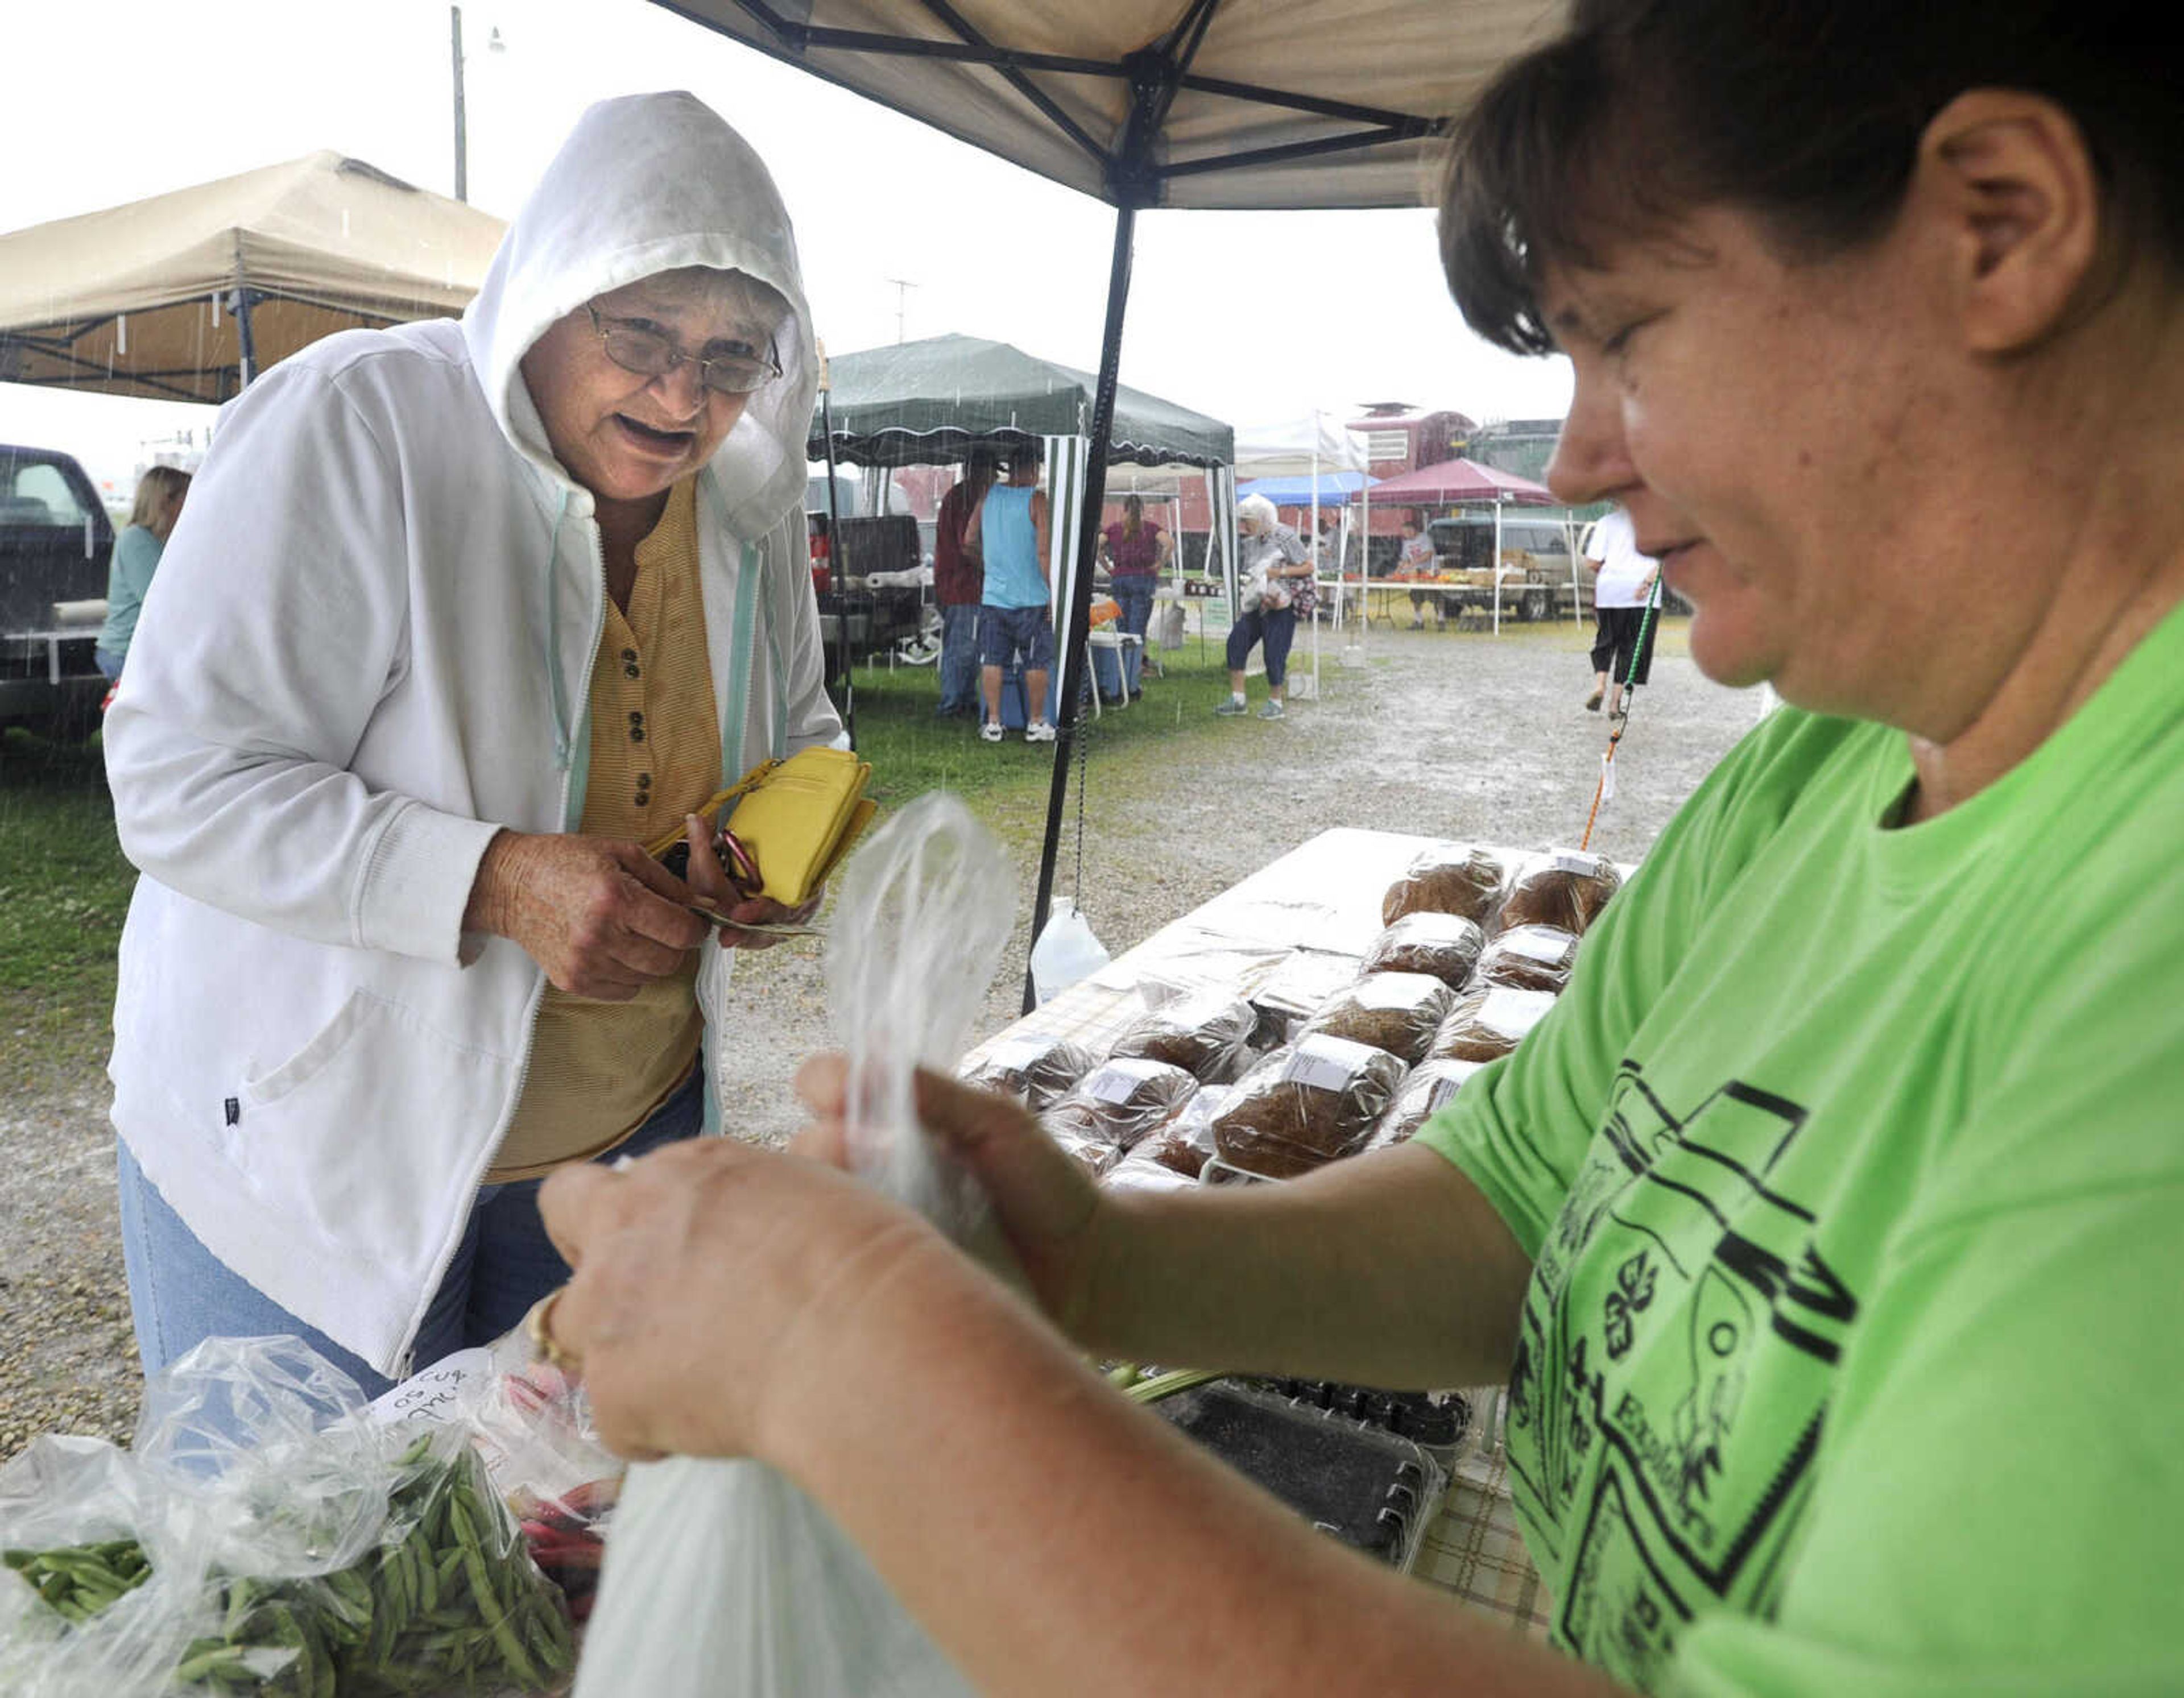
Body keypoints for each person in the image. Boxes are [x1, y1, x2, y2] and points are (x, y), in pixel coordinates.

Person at [540, 5, 2184, 1693]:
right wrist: (1102, 1259)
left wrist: (849, 1355)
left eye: (1624, 336)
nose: (1573, 457)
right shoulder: (1830, 765)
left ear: (1999, 223)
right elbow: (1518, 1201)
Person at [99, 92, 841, 1399]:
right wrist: (493, 879)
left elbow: (802, 732)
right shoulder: (358, 425)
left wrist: (769, 846)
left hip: (617, 1152)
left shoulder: (739, 505)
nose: (684, 394)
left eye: (733, 355)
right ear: (547, 294)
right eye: (642, 332)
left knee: (534, 1569)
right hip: (321, 1154)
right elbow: (178, 777)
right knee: (305, 1581)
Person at [966, 442, 1054, 744]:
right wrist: (1051, 592)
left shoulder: (987, 495)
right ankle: (1036, 721)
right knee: (1036, 661)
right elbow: (1043, 551)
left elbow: (968, 541)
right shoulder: (1037, 500)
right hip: (1031, 595)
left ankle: (993, 723)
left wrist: (989, 565)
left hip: (994, 596)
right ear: (1033, 469)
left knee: (992, 659)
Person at [1215, 492, 1310, 720]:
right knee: (1236, 642)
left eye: (1248, 521)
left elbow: (1308, 567)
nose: (1244, 526)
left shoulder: (1285, 535)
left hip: (1281, 605)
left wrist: (1279, 573)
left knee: (1274, 652)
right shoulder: (1253, 541)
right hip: (1258, 603)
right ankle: (1238, 699)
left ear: (1262, 519)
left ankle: (1276, 702)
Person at [93, 465, 191, 682]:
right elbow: (160, 600)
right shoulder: (137, 541)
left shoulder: (157, 541)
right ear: (166, 501)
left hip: (144, 651)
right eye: (188, 498)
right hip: (129, 651)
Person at [932, 449, 996, 718]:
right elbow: (968, 546)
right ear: (980, 470)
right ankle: (954, 703)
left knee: (965, 644)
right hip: (962, 585)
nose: (995, 478)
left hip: (958, 584)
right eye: (993, 471)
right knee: (963, 647)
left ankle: (964, 698)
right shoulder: (967, 499)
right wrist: (994, 570)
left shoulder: (959, 496)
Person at [1583, 502, 1660, 713]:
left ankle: (1599, 685)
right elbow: (1664, 562)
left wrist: (1613, 575)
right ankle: (1615, 705)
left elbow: (1591, 562)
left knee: (1606, 640)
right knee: (1631, 648)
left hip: (1611, 591)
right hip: (1643, 596)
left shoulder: (1606, 523)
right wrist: (1646, 583)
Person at [1097, 493, 1171, 699]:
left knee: (1121, 629)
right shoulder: (1151, 528)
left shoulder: (1114, 529)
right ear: (1143, 509)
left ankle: (1118, 671)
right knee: (1137, 629)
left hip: (1120, 579)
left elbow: (1097, 545)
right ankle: (1134, 674)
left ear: (1125, 509)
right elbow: (1169, 543)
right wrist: (1159, 564)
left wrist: (1106, 566)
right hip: (1143, 578)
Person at [1395, 516, 1443, 630]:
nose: (1405, 535)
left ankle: (1441, 620)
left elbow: (1428, 554)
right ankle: (1419, 621)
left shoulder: (1425, 538)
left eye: (1407, 532)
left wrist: (1413, 563)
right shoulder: (1406, 543)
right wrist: (1398, 569)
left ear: (1413, 530)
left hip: (1430, 571)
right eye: (1404, 533)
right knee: (1415, 595)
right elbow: (1405, 559)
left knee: (1436, 596)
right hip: (1415, 574)